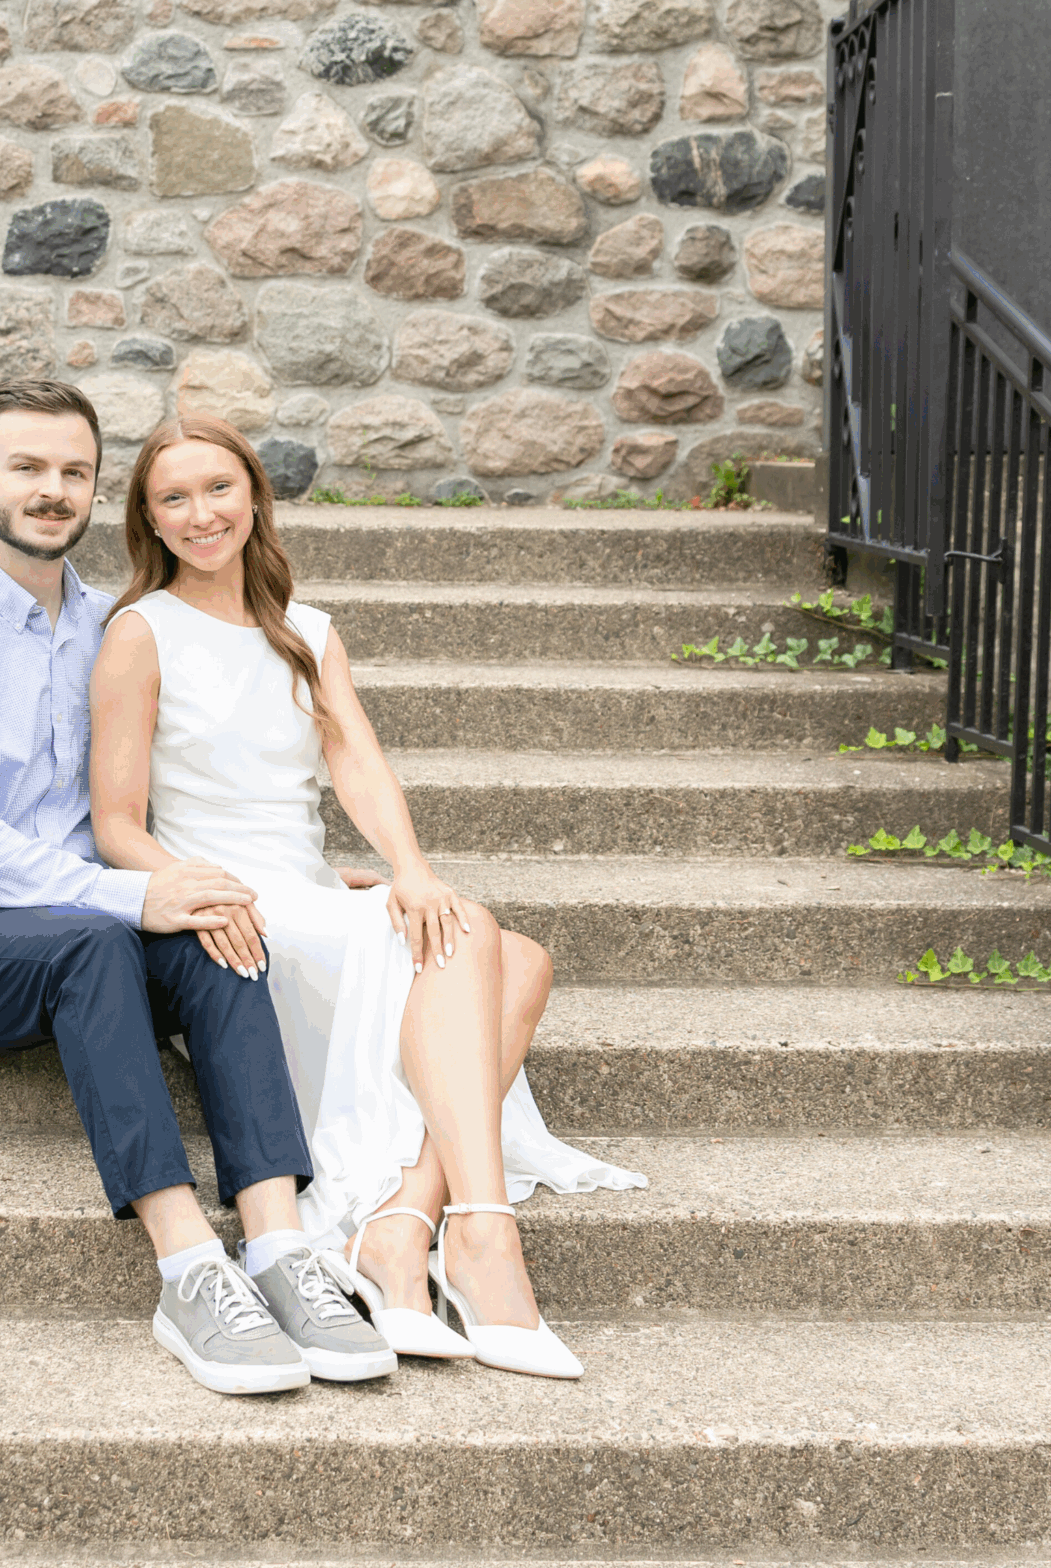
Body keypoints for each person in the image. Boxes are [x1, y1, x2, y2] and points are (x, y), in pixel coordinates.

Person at [0, 379, 399, 1397]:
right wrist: (128, 896)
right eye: (26, 467)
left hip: (89, 918)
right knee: (101, 933)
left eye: (73, 470)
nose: (51, 489)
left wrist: (291, 875)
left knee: (215, 912)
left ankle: (280, 1245)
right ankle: (188, 1262)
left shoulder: (122, 627)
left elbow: (179, 780)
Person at [90, 415, 644, 1381]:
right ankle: (478, 1237)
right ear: (149, 520)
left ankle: (408, 1222)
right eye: (171, 498)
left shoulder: (306, 631)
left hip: (306, 889)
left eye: (218, 488)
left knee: (509, 947)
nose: (201, 513)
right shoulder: (139, 634)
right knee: (481, 941)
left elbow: (356, 762)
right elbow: (116, 820)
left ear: (254, 494)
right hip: (235, 917)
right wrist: (195, 888)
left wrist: (409, 865)